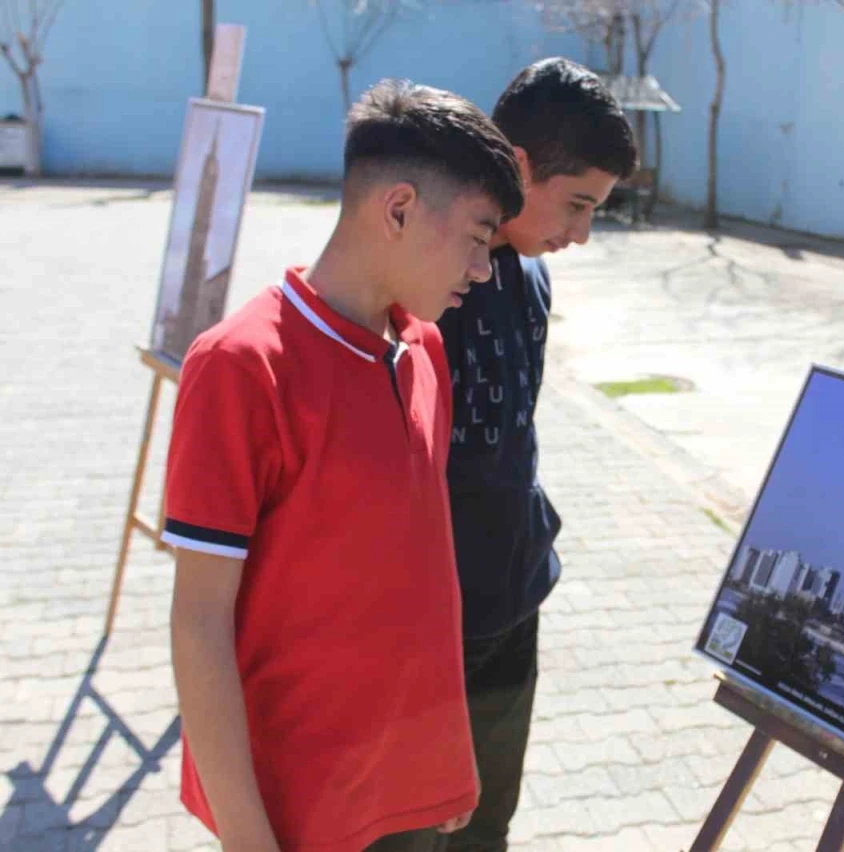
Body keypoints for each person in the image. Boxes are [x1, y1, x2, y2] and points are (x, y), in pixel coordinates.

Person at [164, 80, 523, 852]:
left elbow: (425, 574)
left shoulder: (424, 349)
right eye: (477, 237)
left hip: (407, 784)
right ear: (397, 210)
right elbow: (198, 621)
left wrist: (446, 753)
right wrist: (248, 837)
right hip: (298, 805)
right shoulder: (241, 366)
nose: (483, 269)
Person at [435, 57, 636, 852]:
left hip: (514, 600)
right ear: (519, 166)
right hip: (431, 624)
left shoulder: (533, 277)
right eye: (577, 204)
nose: (581, 234)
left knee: (489, 826)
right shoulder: (423, 281)